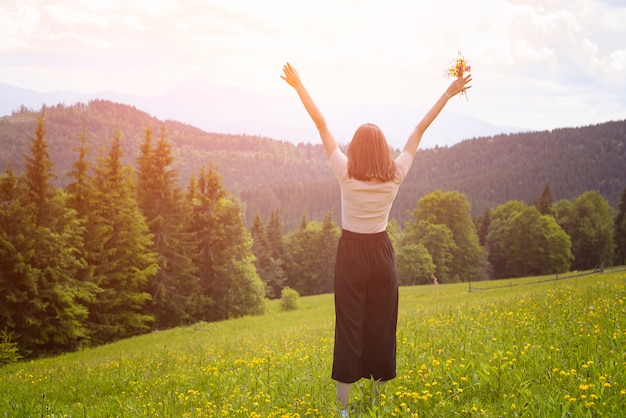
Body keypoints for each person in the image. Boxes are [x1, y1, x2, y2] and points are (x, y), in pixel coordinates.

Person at [281, 62, 471, 417]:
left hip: (351, 253)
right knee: (383, 326)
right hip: (382, 255)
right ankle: (379, 405)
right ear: (383, 149)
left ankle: (343, 411)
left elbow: (321, 124)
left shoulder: (345, 173)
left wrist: (299, 86)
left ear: (355, 149)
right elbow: (418, 129)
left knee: (349, 327)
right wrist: (448, 92)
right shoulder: (395, 175)